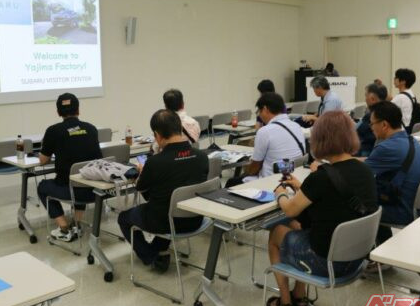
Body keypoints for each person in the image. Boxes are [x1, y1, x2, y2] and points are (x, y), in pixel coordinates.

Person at [265, 111, 377, 306]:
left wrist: (280, 193)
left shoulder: (321, 177)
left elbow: (289, 209)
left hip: (327, 263)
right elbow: (331, 198)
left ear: (320, 139)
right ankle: (300, 298)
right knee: (300, 227)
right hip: (355, 258)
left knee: (277, 231)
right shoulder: (365, 170)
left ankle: (286, 303)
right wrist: (303, 188)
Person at [118, 110, 208, 272]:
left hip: (165, 221)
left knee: (124, 217)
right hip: (195, 218)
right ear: (179, 129)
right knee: (164, 204)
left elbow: (141, 188)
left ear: (157, 135)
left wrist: (141, 172)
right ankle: (159, 249)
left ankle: (151, 254)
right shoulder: (202, 157)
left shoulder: (155, 162)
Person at [365, 101, 420, 245]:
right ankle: (383, 248)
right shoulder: (410, 140)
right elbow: (371, 161)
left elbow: (358, 175)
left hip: (403, 211)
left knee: (355, 204)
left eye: (372, 124)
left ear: (384, 125)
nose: (370, 128)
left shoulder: (386, 147)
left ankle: (370, 254)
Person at [37, 93, 102, 242]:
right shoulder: (91, 129)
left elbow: (42, 160)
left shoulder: (53, 131)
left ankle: (64, 228)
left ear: (58, 112)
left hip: (72, 191)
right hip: (95, 190)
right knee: (81, 177)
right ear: (78, 110)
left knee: (43, 187)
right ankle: (77, 224)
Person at [226, 93, 305, 187]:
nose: (259, 115)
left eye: (259, 111)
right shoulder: (296, 126)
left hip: (271, 181)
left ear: (265, 109)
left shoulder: (265, 131)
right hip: (294, 177)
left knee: (231, 182)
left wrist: (247, 168)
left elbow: (254, 168)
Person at [356, 83, 388, 156]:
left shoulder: (372, 116)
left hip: (367, 152)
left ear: (372, 99)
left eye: (366, 96)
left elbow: (357, 131)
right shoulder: (389, 111)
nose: (365, 99)